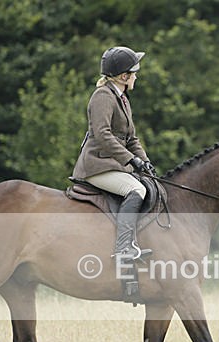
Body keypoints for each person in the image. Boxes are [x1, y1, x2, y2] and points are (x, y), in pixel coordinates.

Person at [72, 46, 156, 261]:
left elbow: (132, 139)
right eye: (134, 72)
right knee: (136, 189)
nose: (136, 76)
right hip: (97, 165)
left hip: (113, 165)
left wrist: (144, 162)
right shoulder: (103, 96)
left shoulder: (123, 99)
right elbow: (102, 134)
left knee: (149, 184)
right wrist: (131, 159)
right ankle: (123, 248)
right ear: (124, 76)